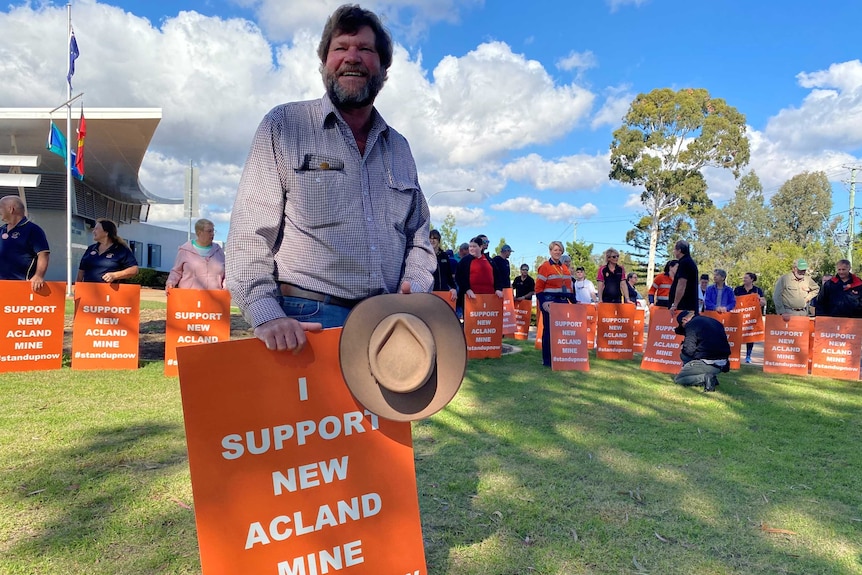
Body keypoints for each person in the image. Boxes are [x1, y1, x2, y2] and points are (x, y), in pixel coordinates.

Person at [225, 5, 436, 352]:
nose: (352, 57)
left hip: (387, 324)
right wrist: (265, 313)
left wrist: (415, 283)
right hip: (305, 320)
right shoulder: (284, 125)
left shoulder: (399, 147)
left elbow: (419, 235)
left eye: (365, 50)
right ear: (324, 62)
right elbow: (250, 231)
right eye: (341, 48)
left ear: (382, 67)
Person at [536, 241, 576, 367]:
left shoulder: (564, 268)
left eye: (560, 250)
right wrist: (543, 303)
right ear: (550, 251)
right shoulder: (545, 267)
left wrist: (575, 303)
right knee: (548, 331)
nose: (557, 252)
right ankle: (547, 360)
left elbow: (569, 288)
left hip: (563, 302)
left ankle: (560, 358)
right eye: (555, 250)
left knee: (562, 332)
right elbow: (538, 288)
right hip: (549, 302)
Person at [0, 195, 49, 291]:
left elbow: (43, 254)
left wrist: (38, 276)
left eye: (0, 208)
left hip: (21, 285)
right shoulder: (2, 230)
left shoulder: (33, 230)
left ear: (11, 209)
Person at [673, 310, 730, 392]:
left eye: (683, 327)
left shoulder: (691, 325)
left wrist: (683, 346)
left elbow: (688, 351)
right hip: (723, 363)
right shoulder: (715, 322)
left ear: (684, 320)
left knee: (679, 379)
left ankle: (704, 378)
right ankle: (710, 378)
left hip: (707, 362)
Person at [166, 218, 225, 292]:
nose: (212, 234)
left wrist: (226, 287)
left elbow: (227, 274)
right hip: (190, 297)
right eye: (209, 231)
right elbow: (176, 271)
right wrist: (170, 283)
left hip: (215, 297)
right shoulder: (185, 250)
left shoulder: (218, 251)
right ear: (199, 233)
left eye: (213, 231)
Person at [76, 219, 139, 283]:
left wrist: (115, 275)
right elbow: (81, 271)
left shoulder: (121, 249)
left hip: (111, 291)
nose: (93, 231)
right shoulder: (90, 249)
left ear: (106, 232)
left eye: (96, 229)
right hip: (89, 290)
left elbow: (134, 269)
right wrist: (77, 287)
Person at [455, 236, 507, 305]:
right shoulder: (465, 261)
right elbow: (459, 277)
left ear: (480, 247)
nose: (472, 249)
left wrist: (498, 289)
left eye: (474, 246)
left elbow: (497, 276)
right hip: (471, 298)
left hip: (489, 298)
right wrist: (467, 289)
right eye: (470, 247)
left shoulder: (489, 260)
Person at [734, 272, 767, 363]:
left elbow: (763, 302)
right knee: (736, 336)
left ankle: (748, 356)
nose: (744, 279)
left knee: (750, 336)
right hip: (739, 316)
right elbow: (733, 301)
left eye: (746, 278)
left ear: (752, 279)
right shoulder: (738, 289)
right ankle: (735, 355)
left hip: (751, 317)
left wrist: (759, 300)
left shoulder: (757, 290)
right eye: (744, 278)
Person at [668, 240, 699, 313]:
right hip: (688, 305)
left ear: (679, 250)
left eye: (675, 249)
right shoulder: (689, 262)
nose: (674, 251)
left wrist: (675, 304)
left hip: (683, 306)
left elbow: (681, 284)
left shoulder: (684, 263)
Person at [429, 229, 457, 302]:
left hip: (443, 292)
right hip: (429, 293)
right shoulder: (425, 254)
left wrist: (453, 288)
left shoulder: (444, 255)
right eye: (430, 238)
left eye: (434, 238)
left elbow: (449, 274)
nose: (432, 240)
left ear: (438, 240)